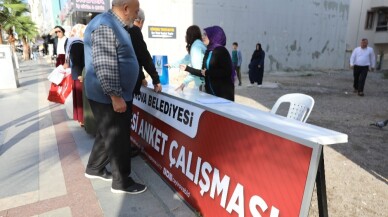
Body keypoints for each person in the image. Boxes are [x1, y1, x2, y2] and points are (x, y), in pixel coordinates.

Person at [83, 0, 147, 194]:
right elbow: (104, 64)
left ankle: (94, 168)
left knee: (107, 133)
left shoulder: (114, 25)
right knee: (117, 136)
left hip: (110, 95)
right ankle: (122, 182)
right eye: (135, 11)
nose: (137, 16)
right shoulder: (105, 25)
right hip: (110, 96)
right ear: (125, 8)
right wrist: (116, 96)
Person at [181, 25, 234, 101]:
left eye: (206, 35)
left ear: (214, 36)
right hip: (211, 95)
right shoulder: (208, 51)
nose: (203, 37)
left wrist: (208, 72)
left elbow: (226, 72)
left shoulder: (221, 51)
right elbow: (203, 72)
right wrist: (187, 68)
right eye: (203, 34)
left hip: (223, 95)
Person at [127, 8, 162, 94]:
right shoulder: (134, 30)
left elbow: (135, 56)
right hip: (129, 83)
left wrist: (142, 77)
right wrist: (156, 80)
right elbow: (144, 57)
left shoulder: (124, 28)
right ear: (141, 21)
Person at [63, 24, 86, 126]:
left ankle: (81, 119)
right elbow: (76, 61)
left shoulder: (73, 42)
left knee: (79, 98)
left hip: (77, 74)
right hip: (79, 75)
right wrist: (80, 75)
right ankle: (82, 120)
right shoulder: (77, 43)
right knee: (81, 98)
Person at [176, 25, 206, 91]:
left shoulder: (195, 47)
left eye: (186, 34)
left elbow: (196, 71)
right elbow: (185, 60)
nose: (185, 36)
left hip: (201, 85)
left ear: (190, 35)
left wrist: (184, 82)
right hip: (202, 83)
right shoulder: (198, 44)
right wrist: (171, 65)